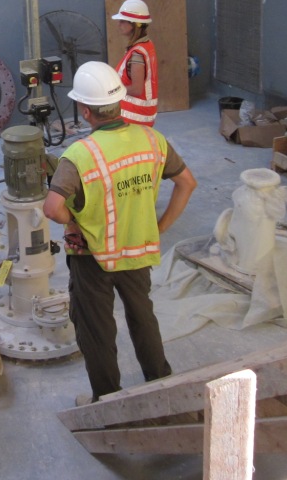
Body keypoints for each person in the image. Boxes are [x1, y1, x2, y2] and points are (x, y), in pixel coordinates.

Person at [42, 61, 197, 404]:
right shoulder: (153, 140)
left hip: (92, 257)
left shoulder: (80, 155)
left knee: (96, 329)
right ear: (119, 101)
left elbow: (52, 208)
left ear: (85, 111)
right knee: (143, 316)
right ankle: (160, 384)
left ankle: (108, 401)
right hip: (138, 249)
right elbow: (187, 183)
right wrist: (158, 229)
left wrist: (73, 222)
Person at [111, 0, 158, 126]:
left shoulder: (137, 53)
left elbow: (137, 89)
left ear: (134, 24)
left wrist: (113, 91)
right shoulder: (146, 45)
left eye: (122, 21)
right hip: (140, 114)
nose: (119, 25)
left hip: (134, 116)